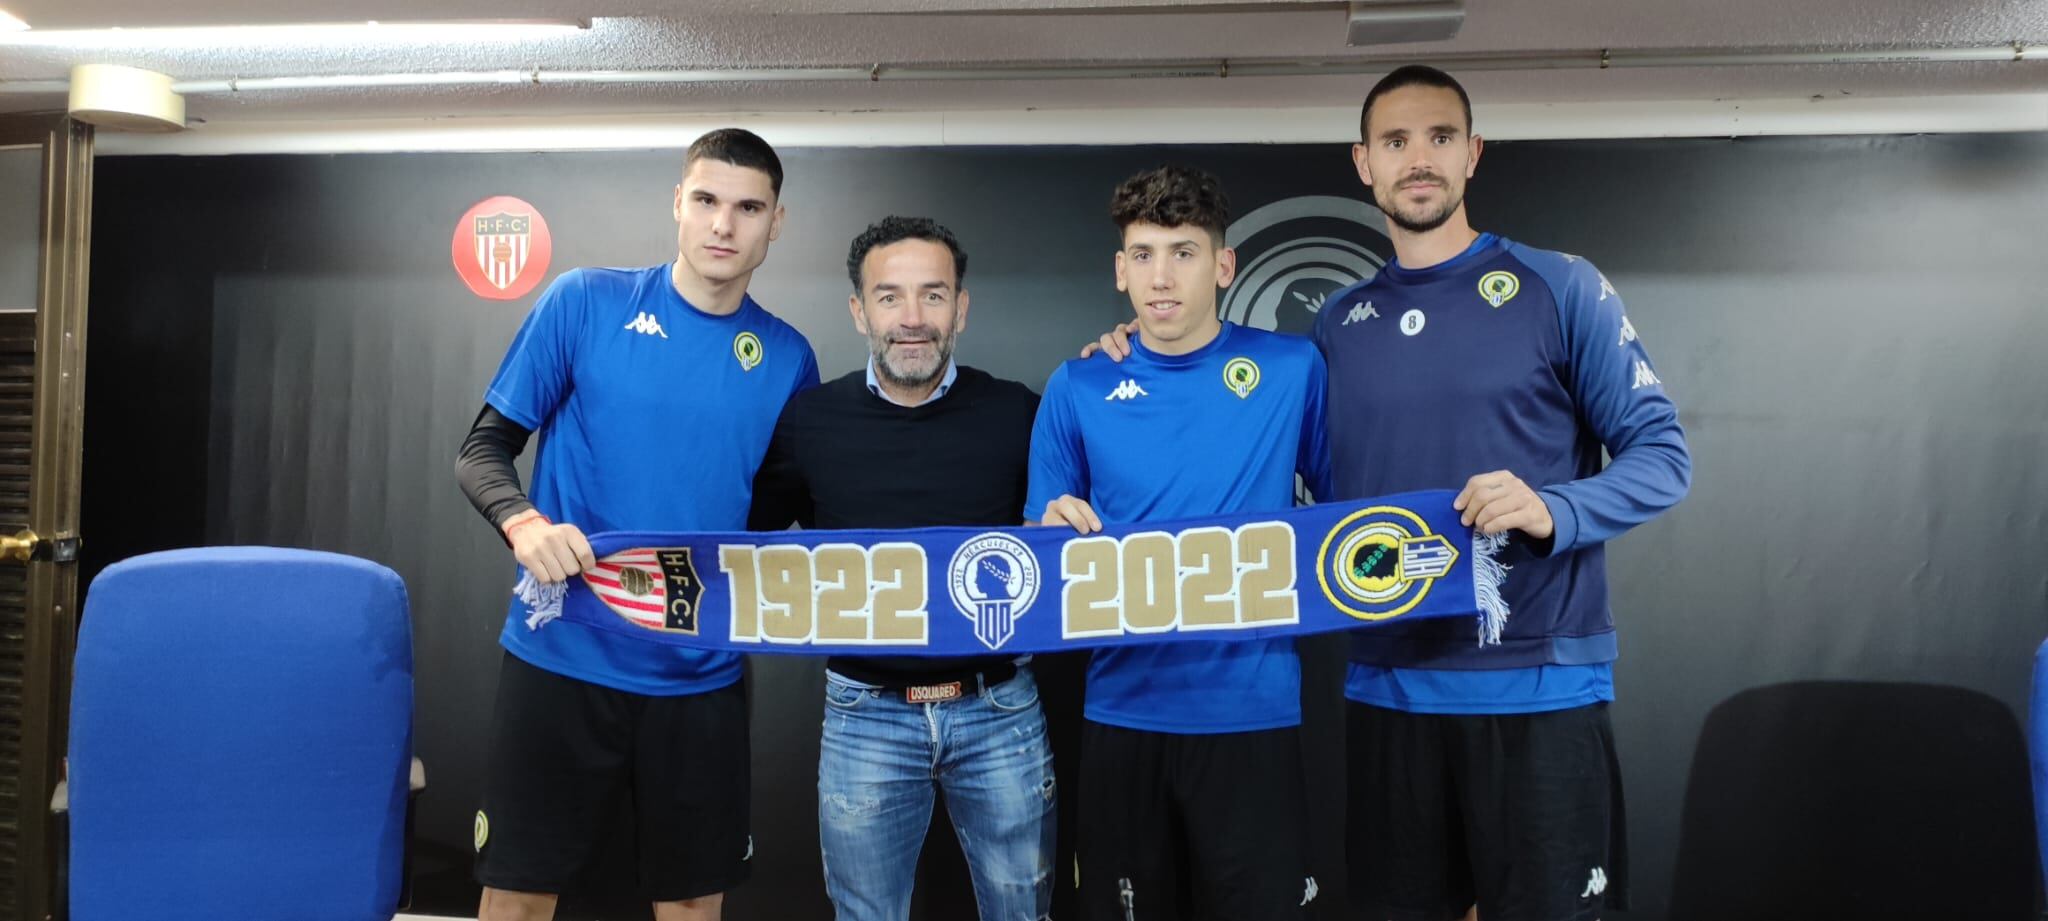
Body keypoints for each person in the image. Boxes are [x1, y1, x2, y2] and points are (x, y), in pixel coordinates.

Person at [1088, 65, 1692, 921]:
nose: (1419, 159)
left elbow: (1663, 453)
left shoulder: (1559, 285)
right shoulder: (1339, 325)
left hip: (1539, 685)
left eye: (1440, 138)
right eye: (1396, 141)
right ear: (1363, 162)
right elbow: (1286, 469)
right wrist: (1135, 345)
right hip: (1385, 689)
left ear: (1473, 154)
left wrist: (1554, 507)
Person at [454, 128, 819, 921]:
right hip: (563, 652)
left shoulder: (788, 357)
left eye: (748, 206)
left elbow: (774, 511)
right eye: (707, 201)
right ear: (678, 205)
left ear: (776, 222)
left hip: (699, 676)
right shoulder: (586, 300)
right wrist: (524, 524)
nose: (725, 224)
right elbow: (483, 450)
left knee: (691, 905)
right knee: (518, 894)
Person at [1033, 164, 1332, 920]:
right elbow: (1043, 541)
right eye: (1142, 254)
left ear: (1224, 264)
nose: (1160, 276)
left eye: (1183, 251)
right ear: (1119, 270)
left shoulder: (1292, 368)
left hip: (1253, 714)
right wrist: (1052, 530)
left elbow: (1350, 511)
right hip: (1123, 712)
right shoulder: (1078, 384)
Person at [748, 215, 1054, 921]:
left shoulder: (1020, 413)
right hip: (865, 715)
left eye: (933, 295)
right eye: (889, 297)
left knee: (1023, 912)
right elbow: (739, 536)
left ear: (962, 307)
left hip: (998, 707)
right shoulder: (809, 420)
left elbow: (1075, 533)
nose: (912, 319)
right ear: (859, 310)